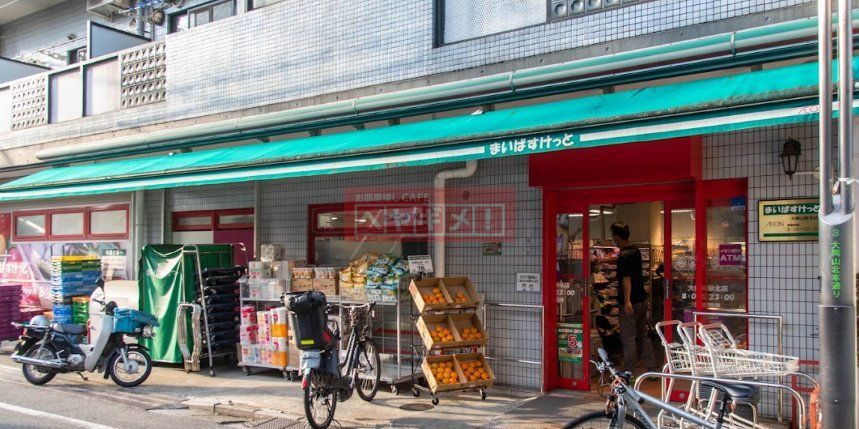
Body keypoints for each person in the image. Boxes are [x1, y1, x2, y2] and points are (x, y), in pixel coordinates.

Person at [610, 221, 657, 371]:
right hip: (642, 299)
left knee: (628, 337)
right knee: (643, 334)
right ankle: (652, 368)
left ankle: (628, 372)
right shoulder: (635, 250)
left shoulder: (623, 256)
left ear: (616, 237)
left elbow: (626, 279)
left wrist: (627, 301)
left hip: (631, 302)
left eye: (613, 236)